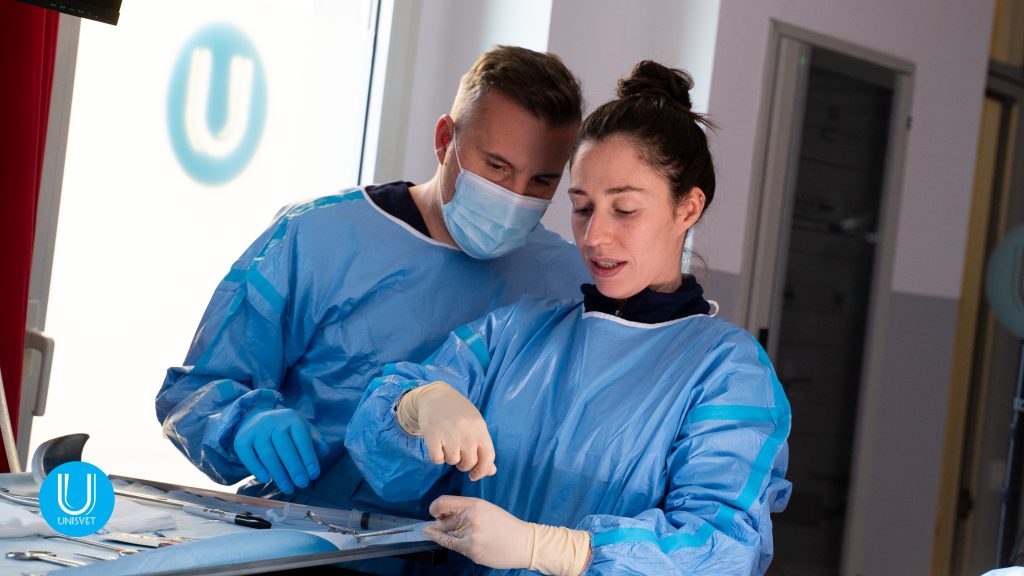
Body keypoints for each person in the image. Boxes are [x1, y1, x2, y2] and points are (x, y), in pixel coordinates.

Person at [345, 61, 792, 575]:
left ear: (688, 209)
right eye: (582, 207)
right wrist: (413, 405)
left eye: (624, 210)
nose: (595, 236)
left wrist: (560, 550)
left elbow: (722, 547)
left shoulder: (728, 372)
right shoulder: (516, 331)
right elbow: (382, 456)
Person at [155, 45, 590, 515]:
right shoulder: (318, 237)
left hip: (467, 548)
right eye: (497, 167)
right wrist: (241, 423)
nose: (514, 197)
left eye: (541, 181)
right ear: (445, 140)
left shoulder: (566, 280)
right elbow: (193, 394)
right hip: (302, 532)